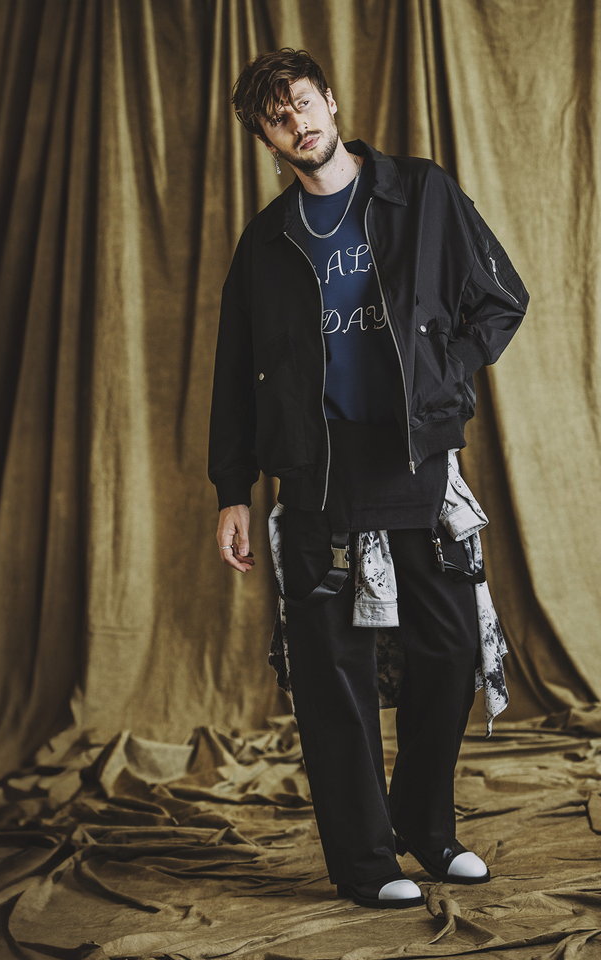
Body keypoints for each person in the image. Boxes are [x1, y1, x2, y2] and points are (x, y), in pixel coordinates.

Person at [208, 47, 529, 909]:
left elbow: (502, 298)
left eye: (303, 103)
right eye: (277, 118)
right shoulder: (266, 242)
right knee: (330, 671)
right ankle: (365, 861)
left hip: (414, 458)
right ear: (266, 140)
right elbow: (234, 372)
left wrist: (441, 376)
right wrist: (233, 490)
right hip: (315, 475)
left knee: (449, 646)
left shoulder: (421, 194)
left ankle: (426, 826)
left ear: (330, 101)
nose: (297, 123)